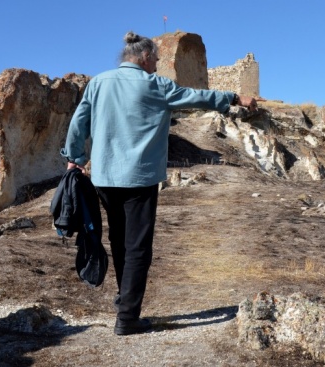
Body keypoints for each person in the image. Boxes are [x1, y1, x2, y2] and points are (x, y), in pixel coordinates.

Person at [61, 31, 257, 335]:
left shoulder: (98, 83)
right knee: (138, 247)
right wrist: (231, 97)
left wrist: (73, 156)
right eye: (155, 58)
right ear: (142, 57)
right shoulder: (156, 85)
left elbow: (79, 122)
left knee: (119, 239)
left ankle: (124, 300)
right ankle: (127, 318)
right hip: (139, 177)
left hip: (105, 177)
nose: (157, 63)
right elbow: (196, 97)